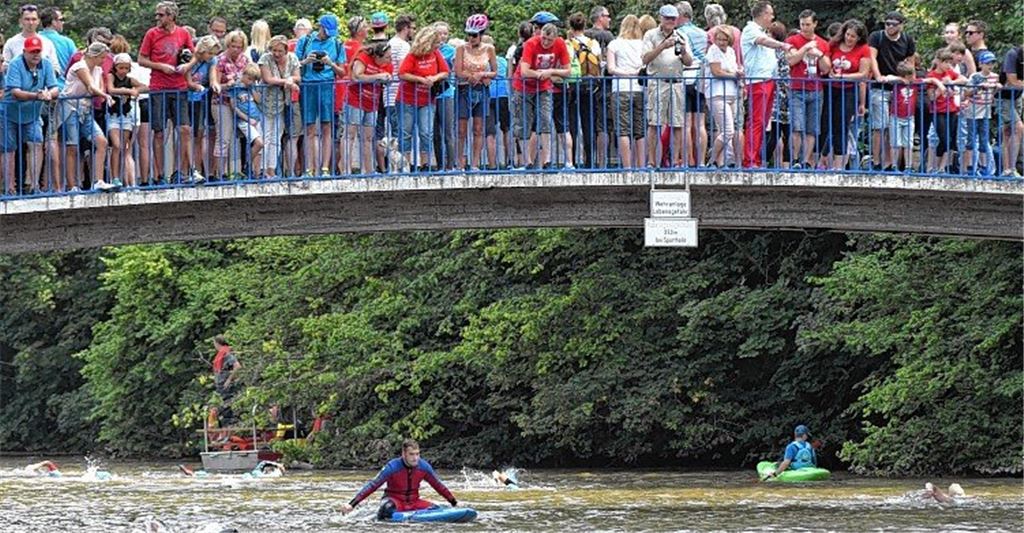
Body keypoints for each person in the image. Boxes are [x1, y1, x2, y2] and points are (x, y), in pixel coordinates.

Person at [139, 1, 198, 185]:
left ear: (171, 16)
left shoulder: (183, 33)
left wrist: (187, 65)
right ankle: (159, 175)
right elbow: (141, 59)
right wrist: (160, 66)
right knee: (159, 132)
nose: (158, 18)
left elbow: (195, 55)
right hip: (158, 87)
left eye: (161, 15)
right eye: (157, 15)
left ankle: (181, 171)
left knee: (185, 129)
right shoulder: (152, 34)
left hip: (179, 86)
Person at [340, 439, 458, 520]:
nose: (415, 458)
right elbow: (373, 485)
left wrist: (453, 502)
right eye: (411, 454)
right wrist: (352, 504)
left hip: (413, 503)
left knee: (436, 509)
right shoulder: (392, 467)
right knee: (386, 508)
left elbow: (438, 485)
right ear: (404, 454)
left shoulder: (424, 467)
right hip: (394, 501)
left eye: (417, 454)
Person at [2, 35, 59, 196]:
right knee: (9, 149)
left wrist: (49, 94)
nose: (35, 55)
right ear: (24, 52)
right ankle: (9, 187)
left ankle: (34, 185)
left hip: (32, 114)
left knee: (36, 143)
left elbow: (55, 87)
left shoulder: (46, 64)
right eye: (32, 52)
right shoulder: (15, 64)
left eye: (38, 52)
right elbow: (15, 92)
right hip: (10, 112)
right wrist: (37, 96)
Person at [514, 15, 572, 170]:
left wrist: (550, 72)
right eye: (544, 39)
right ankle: (527, 161)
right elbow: (525, 71)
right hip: (524, 86)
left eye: (549, 40)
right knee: (523, 122)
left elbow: (568, 71)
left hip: (544, 86)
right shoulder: (531, 43)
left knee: (545, 119)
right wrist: (539, 74)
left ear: (555, 39)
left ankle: (547, 160)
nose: (546, 43)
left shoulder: (560, 44)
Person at [740, 1, 791, 168]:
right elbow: (763, 41)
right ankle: (749, 160)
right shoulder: (751, 30)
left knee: (762, 122)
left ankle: (755, 159)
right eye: (770, 14)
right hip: (758, 81)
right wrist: (782, 45)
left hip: (768, 81)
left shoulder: (761, 31)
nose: (772, 17)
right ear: (762, 15)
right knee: (756, 121)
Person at [641, 4, 692, 168]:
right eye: (667, 18)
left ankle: (676, 160)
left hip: (676, 83)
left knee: (677, 123)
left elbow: (689, 62)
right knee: (654, 123)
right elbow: (645, 59)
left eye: (673, 18)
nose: (670, 21)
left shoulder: (681, 36)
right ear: (660, 18)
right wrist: (663, 46)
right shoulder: (650, 35)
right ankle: (651, 161)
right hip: (657, 83)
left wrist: (683, 51)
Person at [296, 14, 346, 177]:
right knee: (309, 128)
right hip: (308, 86)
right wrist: (305, 61)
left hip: (327, 87)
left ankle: (325, 168)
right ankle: (309, 169)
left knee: (327, 127)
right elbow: (293, 65)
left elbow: (342, 72)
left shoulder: (337, 44)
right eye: (326, 30)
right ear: (320, 27)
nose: (328, 34)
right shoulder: (305, 42)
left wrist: (330, 63)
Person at [60, 42, 114, 192]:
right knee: (73, 146)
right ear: (95, 56)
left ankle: (98, 180)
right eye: (102, 57)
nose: (104, 61)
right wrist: (104, 95)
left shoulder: (97, 69)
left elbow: (98, 86)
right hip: (70, 108)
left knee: (102, 142)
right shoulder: (80, 66)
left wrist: (102, 93)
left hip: (86, 109)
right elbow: (91, 86)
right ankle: (72, 186)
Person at [397, 23, 449, 171]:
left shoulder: (436, 54)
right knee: (406, 132)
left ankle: (425, 163)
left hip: (427, 99)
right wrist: (420, 79)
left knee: (426, 132)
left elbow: (445, 71)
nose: (438, 46)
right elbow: (402, 73)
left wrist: (434, 77)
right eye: (435, 43)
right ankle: (405, 164)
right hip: (407, 98)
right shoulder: (412, 55)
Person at [868, 12, 916, 171]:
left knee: (893, 127)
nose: (889, 27)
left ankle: (890, 162)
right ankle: (876, 161)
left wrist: (909, 80)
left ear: (901, 25)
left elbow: (910, 63)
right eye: (887, 23)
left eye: (893, 24)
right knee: (880, 126)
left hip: (899, 88)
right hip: (880, 87)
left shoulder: (907, 39)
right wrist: (878, 76)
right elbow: (872, 57)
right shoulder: (877, 36)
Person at [823, 19, 870, 170]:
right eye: (848, 35)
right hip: (830, 88)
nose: (849, 39)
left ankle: (839, 165)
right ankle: (821, 161)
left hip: (849, 89)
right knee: (825, 124)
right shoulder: (834, 44)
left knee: (841, 126)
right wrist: (828, 69)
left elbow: (863, 74)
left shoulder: (864, 49)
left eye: (853, 37)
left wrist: (843, 77)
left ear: (859, 38)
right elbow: (825, 60)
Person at [880, 61, 945, 171]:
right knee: (896, 143)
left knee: (908, 143)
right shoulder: (897, 83)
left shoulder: (915, 82)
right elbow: (886, 78)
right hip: (896, 117)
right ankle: (894, 166)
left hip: (910, 117)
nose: (913, 77)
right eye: (911, 75)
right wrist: (901, 79)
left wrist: (940, 85)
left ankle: (908, 167)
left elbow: (931, 80)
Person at [785, 10, 828, 169]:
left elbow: (826, 69)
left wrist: (820, 55)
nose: (804, 28)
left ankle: (806, 160)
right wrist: (805, 48)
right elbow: (791, 60)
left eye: (808, 24)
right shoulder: (792, 40)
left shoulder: (823, 43)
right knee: (797, 126)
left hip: (816, 89)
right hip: (797, 88)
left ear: (815, 24)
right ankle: (794, 160)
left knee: (812, 128)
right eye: (802, 24)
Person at [455, 14, 497, 171]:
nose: (471, 38)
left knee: (478, 128)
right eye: (469, 34)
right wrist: (471, 76)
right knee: (461, 129)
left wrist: (483, 75)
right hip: (464, 89)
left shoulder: (489, 49)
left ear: (481, 34)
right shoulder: (461, 48)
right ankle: (460, 163)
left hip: (481, 90)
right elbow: (458, 71)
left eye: (474, 35)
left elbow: (495, 71)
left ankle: (475, 163)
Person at [606, 14, 647, 168]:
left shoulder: (614, 44)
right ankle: (642, 166)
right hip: (639, 88)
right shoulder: (643, 44)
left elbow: (611, 69)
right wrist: (635, 73)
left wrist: (625, 73)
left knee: (623, 130)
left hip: (621, 88)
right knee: (639, 129)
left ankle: (627, 166)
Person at [346, 39, 392, 174]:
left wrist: (386, 79)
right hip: (355, 99)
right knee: (350, 134)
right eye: (387, 57)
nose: (389, 60)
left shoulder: (387, 65)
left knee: (368, 137)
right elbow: (356, 76)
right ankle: (346, 169)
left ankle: (369, 170)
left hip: (372, 102)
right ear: (378, 56)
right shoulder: (364, 57)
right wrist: (377, 76)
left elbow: (386, 79)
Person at [210, 30, 251, 179]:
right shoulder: (219, 60)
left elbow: (251, 77)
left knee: (245, 136)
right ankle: (219, 172)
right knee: (224, 137)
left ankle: (243, 170)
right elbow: (215, 83)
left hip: (240, 102)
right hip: (222, 102)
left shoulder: (245, 60)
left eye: (239, 47)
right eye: (233, 46)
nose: (236, 49)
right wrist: (227, 84)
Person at [259, 35, 300, 178]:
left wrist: (290, 79)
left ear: (286, 50)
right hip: (267, 103)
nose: (276, 54)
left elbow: (297, 76)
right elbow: (268, 79)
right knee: (266, 136)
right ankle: (262, 169)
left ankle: (272, 168)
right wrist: (287, 82)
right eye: (274, 50)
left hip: (285, 102)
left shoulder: (293, 58)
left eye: (280, 51)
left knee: (277, 136)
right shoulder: (265, 59)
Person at [107, 52, 149, 187]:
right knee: (117, 146)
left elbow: (145, 86)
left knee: (124, 148)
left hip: (125, 116)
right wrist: (128, 91)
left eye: (126, 68)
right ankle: (114, 177)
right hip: (113, 115)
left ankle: (122, 179)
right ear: (115, 67)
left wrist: (136, 90)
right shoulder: (111, 76)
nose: (123, 71)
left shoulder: (130, 79)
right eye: (121, 68)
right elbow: (111, 89)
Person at [675, 2, 708, 168]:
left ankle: (688, 160)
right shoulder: (703, 33)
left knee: (686, 124)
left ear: (681, 16)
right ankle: (701, 161)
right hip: (701, 79)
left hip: (686, 78)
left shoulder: (678, 33)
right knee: (700, 123)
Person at [706, 26, 743, 168]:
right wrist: (733, 74)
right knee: (728, 130)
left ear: (729, 40)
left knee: (728, 130)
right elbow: (716, 71)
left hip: (732, 93)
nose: (721, 42)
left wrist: (738, 72)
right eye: (719, 39)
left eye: (724, 39)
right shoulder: (713, 50)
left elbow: (733, 68)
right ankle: (712, 159)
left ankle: (728, 160)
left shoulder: (732, 52)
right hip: (717, 94)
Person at [185, 35, 220, 182]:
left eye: (213, 54)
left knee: (199, 134)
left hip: (200, 99)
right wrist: (195, 86)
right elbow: (186, 79)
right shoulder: (190, 58)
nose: (211, 56)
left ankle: (197, 170)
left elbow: (212, 77)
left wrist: (215, 84)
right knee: (186, 134)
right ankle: (185, 170)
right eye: (209, 53)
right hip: (187, 98)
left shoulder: (212, 60)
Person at [927, 48, 967, 173]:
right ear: (939, 62)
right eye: (946, 62)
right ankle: (935, 166)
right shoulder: (932, 75)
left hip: (952, 110)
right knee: (943, 139)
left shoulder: (950, 72)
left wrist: (952, 82)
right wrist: (941, 86)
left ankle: (941, 168)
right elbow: (931, 96)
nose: (949, 65)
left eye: (950, 63)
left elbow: (964, 80)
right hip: (938, 111)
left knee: (950, 140)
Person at [961, 51, 1000, 175]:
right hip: (973, 111)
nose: (990, 65)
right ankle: (970, 168)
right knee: (971, 140)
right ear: (981, 64)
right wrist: (978, 87)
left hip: (985, 112)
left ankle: (983, 168)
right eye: (988, 63)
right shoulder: (975, 76)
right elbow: (966, 93)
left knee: (984, 140)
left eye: (992, 63)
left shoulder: (995, 76)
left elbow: (991, 96)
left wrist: (996, 89)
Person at [584, 6, 614, 168]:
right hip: (605, 85)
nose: (609, 19)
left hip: (586, 85)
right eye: (607, 16)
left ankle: (586, 161)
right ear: (599, 18)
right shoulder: (608, 36)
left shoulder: (585, 35)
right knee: (603, 125)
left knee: (587, 124)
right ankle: (602, 163)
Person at [231, 63, 265, 177]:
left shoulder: (251, 87)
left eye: (253, 80)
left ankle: (256, 172)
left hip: (256, 118)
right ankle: (247, 165)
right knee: (259, 143)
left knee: (258, 147)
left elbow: (259, 100)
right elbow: (234, 107)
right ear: (243, 75)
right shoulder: (236, 87)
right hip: (245, 121)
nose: (250, 82)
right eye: (249, 79)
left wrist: (252, 87)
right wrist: (248, 119)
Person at [999, 45, 1024, 177]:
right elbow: (1012, 80)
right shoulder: (1013, 54)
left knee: (1009, 132)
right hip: (1004, 96)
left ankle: (1009, 169)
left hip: (1017, 96)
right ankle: (1010, 168)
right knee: (1018, 127)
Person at [38, 7, 75, 73]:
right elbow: (76, 65)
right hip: (62, 83)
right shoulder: (67, 42)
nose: (63, 22)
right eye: (61, 19)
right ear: (53, 22)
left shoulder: (34, 40)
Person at [212, 335, 241, 401]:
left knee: (227, 406)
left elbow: (237, 366)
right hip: (220, 385)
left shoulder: (226, 354)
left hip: (226, 386)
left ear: (217, 343)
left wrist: (229, 380)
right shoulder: (221, 354)